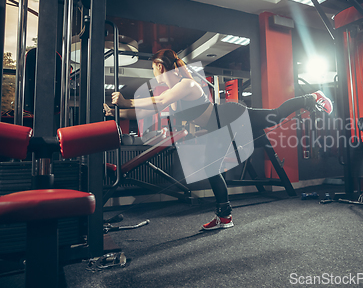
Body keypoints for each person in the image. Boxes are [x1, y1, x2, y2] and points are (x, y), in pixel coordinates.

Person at [104, 49, 333, 230]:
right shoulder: (174, 92)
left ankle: (312, 97)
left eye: (154, 69)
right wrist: (117, 113)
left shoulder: (186, 84)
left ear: (160, 66)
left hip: (232, 116)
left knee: (274, 115)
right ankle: (224, 217)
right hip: (219, 128)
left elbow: (160, 101)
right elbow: (156, 108)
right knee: (212, 169)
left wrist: (127, 102)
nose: (154, 74)